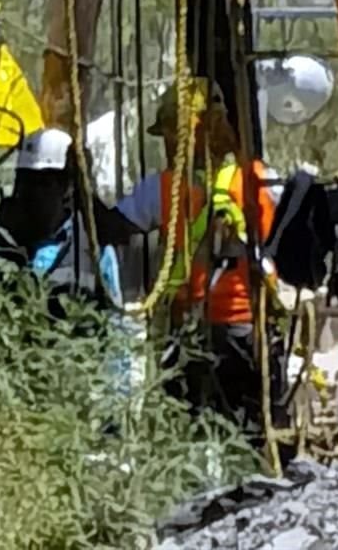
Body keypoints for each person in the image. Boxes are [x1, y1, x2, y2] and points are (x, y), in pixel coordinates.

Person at [95, 77, 284, 442]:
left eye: (169, 132)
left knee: (187, 429)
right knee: (250, 430)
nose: (166, 143)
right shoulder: (258, 179)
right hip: (244, 329)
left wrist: (79, 185)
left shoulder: (167, 187)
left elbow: (113, 228)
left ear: (191, 130)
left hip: (195, 331)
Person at [0, 127, 123, 316]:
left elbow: (117, 325)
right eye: (26, 181)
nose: (33, 193)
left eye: (44, 183)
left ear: (67, 187)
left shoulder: (94, 250)